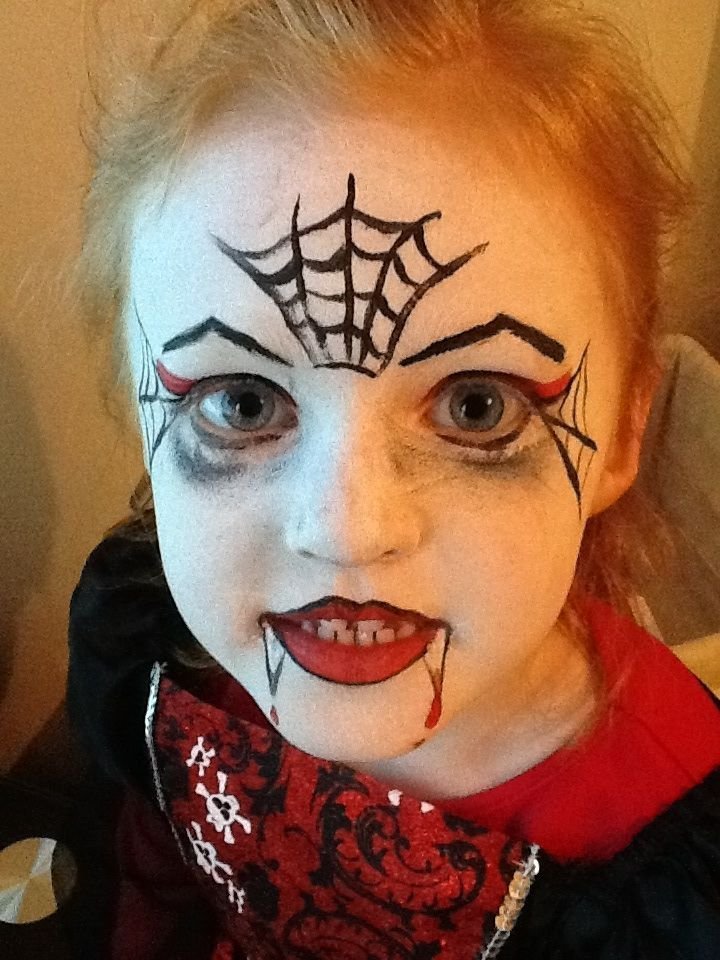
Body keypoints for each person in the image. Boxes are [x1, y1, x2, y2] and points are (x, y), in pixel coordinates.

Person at [67, 1, 720, 957]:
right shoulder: (172, 662)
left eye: (478, 407)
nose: (347, 530)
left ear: (622, 435)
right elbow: (161, 867)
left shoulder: (667, 838)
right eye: (242, 402)